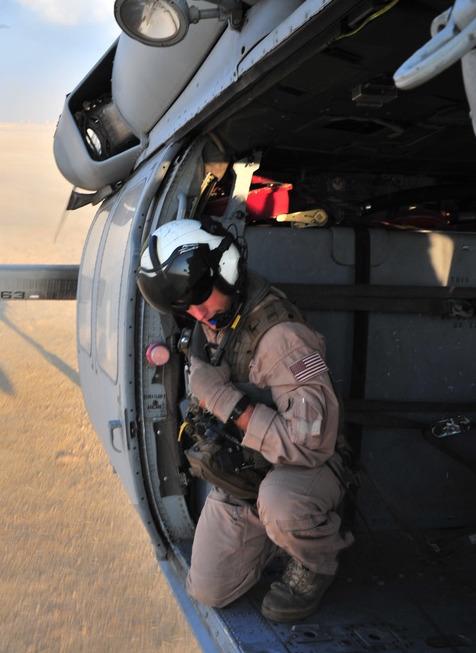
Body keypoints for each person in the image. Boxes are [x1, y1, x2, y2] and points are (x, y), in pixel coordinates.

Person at [135, 218, 353, 622]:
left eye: (201, 297)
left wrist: (224, 401)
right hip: (247, 467)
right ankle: (274, 533)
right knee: (208, 589)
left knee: (282, 506)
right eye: (185, 306)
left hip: (305, 467)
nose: (197, 312)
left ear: (227, 270)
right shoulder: (212, 320)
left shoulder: (281, 339)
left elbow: (312, 444)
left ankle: (315, 559)